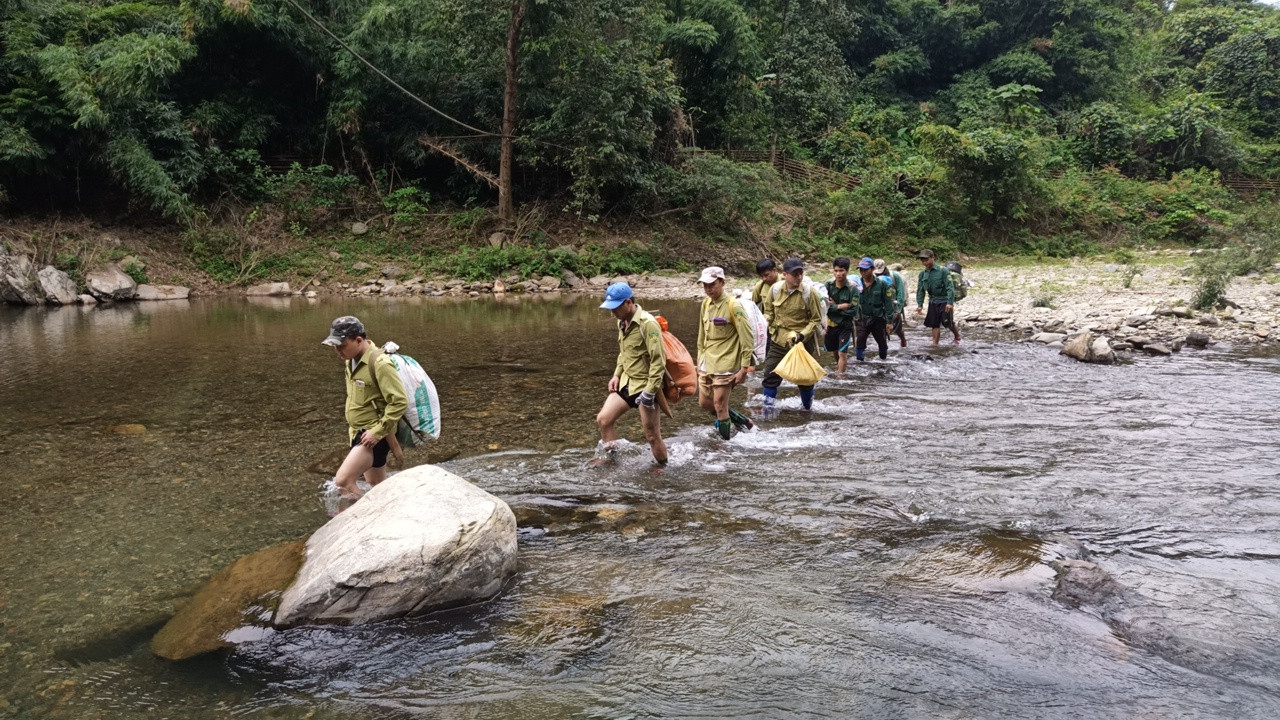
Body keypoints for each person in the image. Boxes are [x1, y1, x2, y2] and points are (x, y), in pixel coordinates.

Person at [321, 315, 408, 505]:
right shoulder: (350, 360)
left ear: (359, 340)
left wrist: (377, 433)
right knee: (376, 483)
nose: (337, 351)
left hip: (373, 436)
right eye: (335, 346)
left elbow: (400, 402)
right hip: (359, 432)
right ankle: (391, 514)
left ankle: (367, 517)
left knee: (343, 482)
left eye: (341, 345)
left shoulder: (380, 363)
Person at [595, 282, 669, 466]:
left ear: (628, 302)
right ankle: (614, 462)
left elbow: (659, 361)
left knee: (652, 436)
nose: (613, 312)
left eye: (616, 308)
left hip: (646, 386)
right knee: (604, 420)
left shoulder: (648, 324)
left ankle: (663, 468)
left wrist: (650, 392)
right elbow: (624, 352)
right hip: (627, 381)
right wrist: (616, 374)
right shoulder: (621, 321)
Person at [695, 266, 756, 440]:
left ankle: (725, 445)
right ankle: (743, 421)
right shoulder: (705, 303)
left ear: (722, 283)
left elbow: (747, 336)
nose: (708, 289)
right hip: (708, 360)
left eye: (712, 285)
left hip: (727, 362)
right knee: (705, 403)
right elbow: (702, 333)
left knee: (720, 405)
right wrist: (699, 358)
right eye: (705, 285)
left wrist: (744, 367)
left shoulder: (733, 306)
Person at [760, 257, 823, 414]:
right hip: (779, 340)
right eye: (795, 274)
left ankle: (807, 409)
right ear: (785, 275)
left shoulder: (810, 293)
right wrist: (763, 324)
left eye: (801, 273)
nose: (799, 277)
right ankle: (768, 410)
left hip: (802, 343)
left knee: (805, 379)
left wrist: (802, 335)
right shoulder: (774, 290)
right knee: (770, 375)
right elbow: (768, 312)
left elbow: (816, 320)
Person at [853, 257, 896, 361]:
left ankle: (883, 363)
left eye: (865, 269)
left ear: (872, 269)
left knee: (882, 343)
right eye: (861, 270)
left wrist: (890, 322)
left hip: (878, 319)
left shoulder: (882, 284)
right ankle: (860, 363)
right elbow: (853, 302)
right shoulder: (856, 285)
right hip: (862, 319)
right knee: (860, 342)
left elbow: (888, 303)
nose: (863, 272)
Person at [914, 249, 957, 347]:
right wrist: (920, 304)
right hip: (933, 301)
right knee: (934, 324)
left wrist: (950, 303)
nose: (924, 262)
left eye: (926, 259)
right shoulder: (922, 274)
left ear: (933, 258)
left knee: (948, 323)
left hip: (944, 300)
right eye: (922, 260)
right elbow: (920, 290)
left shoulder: (943, 271)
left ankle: (957, 336)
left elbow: (950, 287)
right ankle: (935, 344)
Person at [824, 257, 858, 373]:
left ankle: (841, 376)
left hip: (845, 326)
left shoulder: (853, 290)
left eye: (841, 271)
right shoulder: (828, 287)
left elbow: (853, 311)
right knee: (834, 350)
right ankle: (840, 369)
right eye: (836, 271)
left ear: (847, 271)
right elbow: (825, 307)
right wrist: (839, 306)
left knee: (842, 352)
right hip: (831, 325)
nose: (838, 274)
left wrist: (834, 308)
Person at [874, 258, 909, 348]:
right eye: (877, 273)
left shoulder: (895, 277)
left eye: (880, 272)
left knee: (897, 328)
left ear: (885, 268)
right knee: (881, 328)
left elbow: (901, 294)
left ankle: (903, 339)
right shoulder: (873, 276)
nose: (879, 275)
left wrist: (898, 311)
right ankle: (884, 348)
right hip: (881, 304)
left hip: (894, 302)